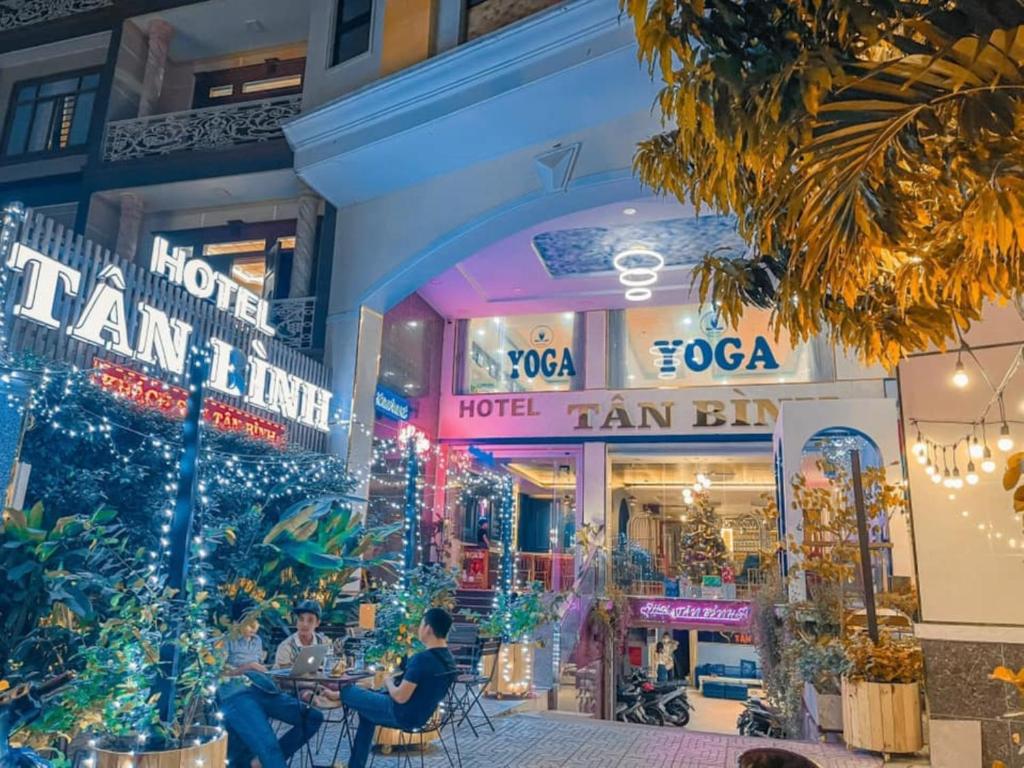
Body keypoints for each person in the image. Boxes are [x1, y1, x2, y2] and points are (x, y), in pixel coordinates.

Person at [342, 607, 457, 768]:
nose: (418, 628)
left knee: (346, 690)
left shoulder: (422, 659)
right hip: (422, 716)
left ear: (428, 629)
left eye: (421, 624)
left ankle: (324, 694)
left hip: (400, 712)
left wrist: (388, 680)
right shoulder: (449, 660)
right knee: (366, 714)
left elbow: (400, 697)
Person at [218, 615, 324, 768]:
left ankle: (261, 762)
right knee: (268, 746)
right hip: (237, 694)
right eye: (249, 622)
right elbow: (218, 674)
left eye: (256, 622)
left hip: (263, 690)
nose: (253, 627)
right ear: (236, 623)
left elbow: (259, 667)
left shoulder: (257, 641)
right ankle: (269, 759)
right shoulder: (225, 641)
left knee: (313, 717)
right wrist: (248, 667)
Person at [275, 599, 340, 707]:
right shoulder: (286, 646)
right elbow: (283, 681)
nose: (304, 624)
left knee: (349, 687)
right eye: (301, 619)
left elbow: (330, 667)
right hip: (296, 688)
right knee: (308, 696)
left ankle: (335, 698)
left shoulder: (323, 641)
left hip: (320, 682)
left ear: (317, 623)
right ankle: (334, 699)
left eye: (310, 620)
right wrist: (311, 685)